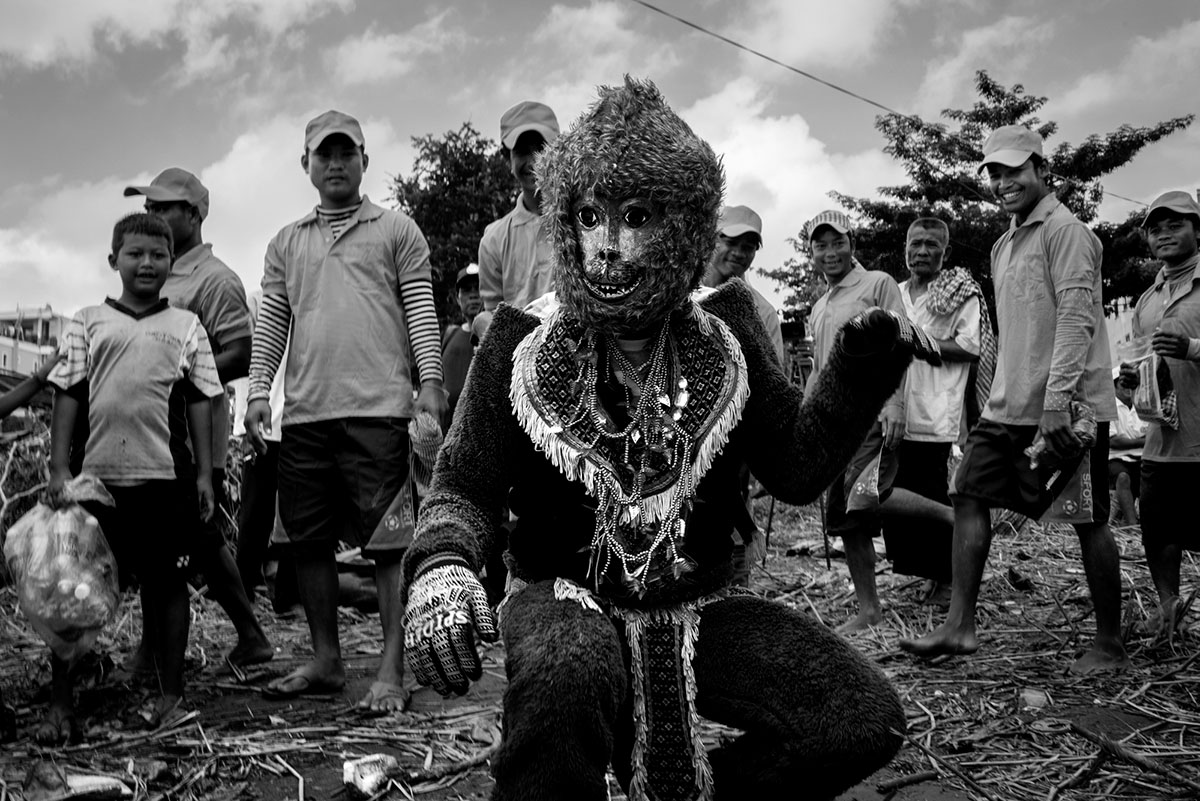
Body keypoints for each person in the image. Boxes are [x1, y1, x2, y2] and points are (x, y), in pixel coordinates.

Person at [400, 78, 943, 801]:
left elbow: (799, 467)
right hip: (563, 594)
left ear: (686, 226)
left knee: (861, 717)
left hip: (698, 608)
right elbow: (463, 486)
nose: (610, 249)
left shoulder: (728, 335)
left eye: (638, 217)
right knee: (570, 667)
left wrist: (858, 368)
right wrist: (442, 563)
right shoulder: (521, 340)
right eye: (590, 217)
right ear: (564, 223)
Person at [901, 125, 1127, 674]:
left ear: (1041, 170)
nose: (1004, 182)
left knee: (1088, 521)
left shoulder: (1066, 231)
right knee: (968, 492)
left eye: (1014, 170)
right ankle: (960, 625)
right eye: (995, 173)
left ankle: (1109, 643)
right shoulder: (1005, 242)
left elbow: (1076, 317)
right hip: (1007, 406)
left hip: (1066, 408)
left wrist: (1056, 402)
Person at [244, 110, 447, 712]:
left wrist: (430, 381)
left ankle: (391, 666)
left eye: (346, 153)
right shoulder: (286, 242)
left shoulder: (397, 231)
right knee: (307, 542)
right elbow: (272, 322)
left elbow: (419, 308)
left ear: (364, 160)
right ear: (306, 165)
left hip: (378, 410)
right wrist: (259, 390)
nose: (335, 164)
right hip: (305, 414)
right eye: (323, 155)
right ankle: (327, 660)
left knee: (389, 545)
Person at [41, 213, 223, 742]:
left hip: (166, 482)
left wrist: (208, 476)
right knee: (73, 590)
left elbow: (202, 402)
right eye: (135, 254)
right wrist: (58, 469)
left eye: (158, 255)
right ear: (113, 260)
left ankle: (171, 695)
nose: (147, 264)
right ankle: (60, 702)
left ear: (172, 262)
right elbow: (68, 394)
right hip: (97, 483)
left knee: (168, 587)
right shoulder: (89, 321)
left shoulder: (186, 326)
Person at [124, 167, 272, 669]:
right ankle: (167, 645)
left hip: (192, 431)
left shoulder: (215, 279)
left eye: (162, 207)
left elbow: (242, 350)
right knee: (164, 537)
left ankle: (242, 635)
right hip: (152, 431)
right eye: (148, 208)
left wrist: (174, 376)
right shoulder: (157, 269)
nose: (152, 215)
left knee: (198, 536)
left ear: (193, 214)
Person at [804, 209, 909, 631]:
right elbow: (817, 366)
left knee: (863, 500)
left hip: (870, 413)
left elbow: (901, 342)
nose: (830, 252)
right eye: (821, 245)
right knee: (846, 516)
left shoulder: (877, 284)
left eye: (838, 243)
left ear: (853, 244)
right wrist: (805, 417)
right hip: (834, 422)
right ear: (811, 251)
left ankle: (952, 515)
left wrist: (895, 403)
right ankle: (870, 609)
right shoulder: (820, 305)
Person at [884, 218, 988, 595]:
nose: (922, 251)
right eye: (915, 244)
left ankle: (947, 580)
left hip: (934, 413)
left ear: (946, 252)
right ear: (905, 249)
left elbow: (971, 347)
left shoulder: (960, 293)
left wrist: (920, 341)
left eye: (931, 245)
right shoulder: (894, 293)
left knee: (929, 496)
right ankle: (929, 573)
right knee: (896, 495)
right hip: (893, 412)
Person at [1122, 190, 1200, 641]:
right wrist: (1128, 385)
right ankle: (1169, 608)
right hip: (1161, 441)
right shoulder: (1147, 301)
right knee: (1159, 530)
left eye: (1176, 224)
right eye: (1156, 227)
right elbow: (1138, 361)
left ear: (1196, 230)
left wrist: (1192, 349)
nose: (1164, 233)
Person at [233, 290, 300, 615]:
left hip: (300, 416)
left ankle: (286, 595)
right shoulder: (258, 300)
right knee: (256, 510)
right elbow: (245, 352)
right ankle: (245, 588)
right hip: (263, 417)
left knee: (294, 511)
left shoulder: (312, 296)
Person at [478, 101, 560, 314]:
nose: (534, 161)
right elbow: (493, 315)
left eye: (541, 149)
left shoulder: (583, 222)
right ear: (508, 159)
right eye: (522, 151)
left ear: (558, 150)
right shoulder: (494, 240)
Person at [701, 205, 785, 364]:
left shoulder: (764, 313)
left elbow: (776, 378)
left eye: (747, 247)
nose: (739, 253)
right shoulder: (683, 297)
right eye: (731, 243)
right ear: (712, 239)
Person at [442, 264, 483, 426]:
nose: (473, 295)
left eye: (478, 287)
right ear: (458, 298)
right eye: (466, 290)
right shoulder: (449, 335)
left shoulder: (497, 337)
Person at [1108, 370, 1144, 526]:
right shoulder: (1110, 408)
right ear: (1114, 386)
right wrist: (1143, 442)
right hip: (1116, 458)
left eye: (1132, 383)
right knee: (1123, 477)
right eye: (1124, 383)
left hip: (1142, 457)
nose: (1128, 388)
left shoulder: (1143, 406)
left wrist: (1138, 442)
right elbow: (1114, 442)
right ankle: (1132, 524)